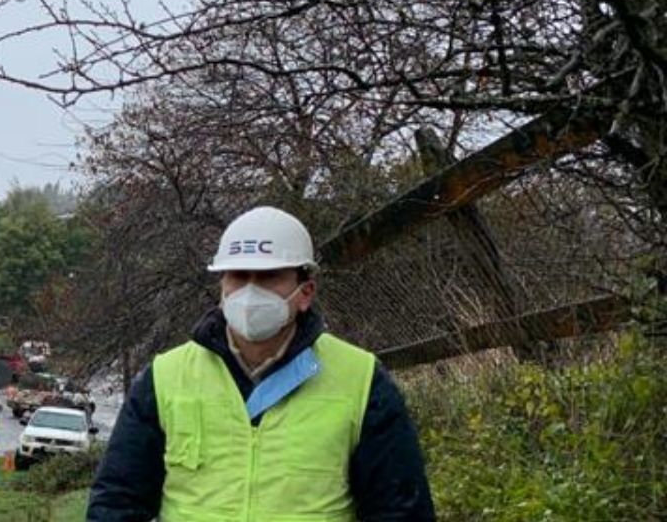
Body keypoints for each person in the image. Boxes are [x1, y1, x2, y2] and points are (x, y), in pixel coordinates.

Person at [88, 206, 434, 521]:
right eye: (239, 276)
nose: (250, 292)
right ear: (222, 286)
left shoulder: (361, 380)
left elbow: (400, 510)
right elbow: (117, 501)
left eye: (269, 277)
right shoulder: (165, 377)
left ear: (306, 292)